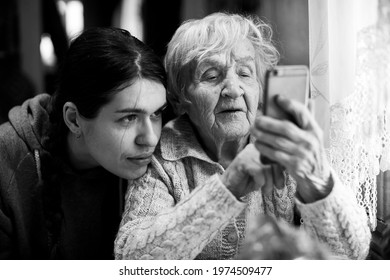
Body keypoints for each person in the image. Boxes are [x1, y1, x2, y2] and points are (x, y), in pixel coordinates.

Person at [114, 12, 371, 260]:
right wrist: (228, 188)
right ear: (181, 99)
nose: (233, 89)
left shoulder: (285, 141)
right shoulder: (163, 155)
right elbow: (132, 259)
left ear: (259, 88)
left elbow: (352, 254)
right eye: (212, 76)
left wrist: (319, 184)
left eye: (245, 73)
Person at [0, 27, 167, 259]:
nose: (150, 138)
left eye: (157, 114)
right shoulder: (7, 159)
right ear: (73, 119)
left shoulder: (165, 161)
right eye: (129, 118)